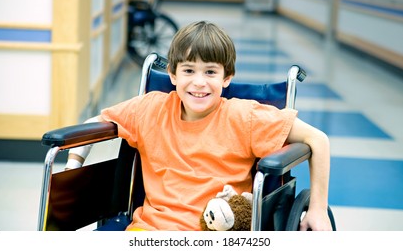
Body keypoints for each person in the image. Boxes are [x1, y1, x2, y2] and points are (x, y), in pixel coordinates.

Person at [66, 20, 332, 231]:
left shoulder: (244, 116)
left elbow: (318, 140)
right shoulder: (148, 108)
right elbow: (94, 124)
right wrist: (72, 168)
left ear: (227, 77)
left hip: (214, 233)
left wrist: (318, 209)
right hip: (148, 232)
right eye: (189, 71)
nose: (199, 82)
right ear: (172, 74)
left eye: (210, 72)